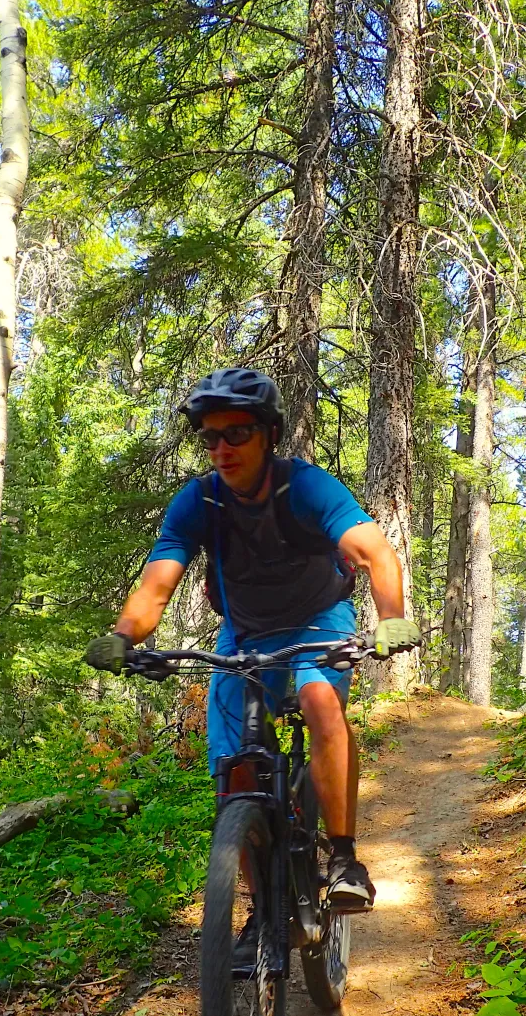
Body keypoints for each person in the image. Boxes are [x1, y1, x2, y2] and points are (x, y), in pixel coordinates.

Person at [85, 366, 419, 924]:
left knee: (318, 702)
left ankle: (342, 859)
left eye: (236, 433)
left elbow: (374, 552)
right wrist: (125, 637)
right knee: (233, 775)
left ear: (268, 434)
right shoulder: (199, 502)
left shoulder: (306, 487)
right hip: (244, 632)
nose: (221, 448)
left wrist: (391, 619)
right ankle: (262, 913)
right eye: (210, 437)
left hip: (319, 619)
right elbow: (158, 582)